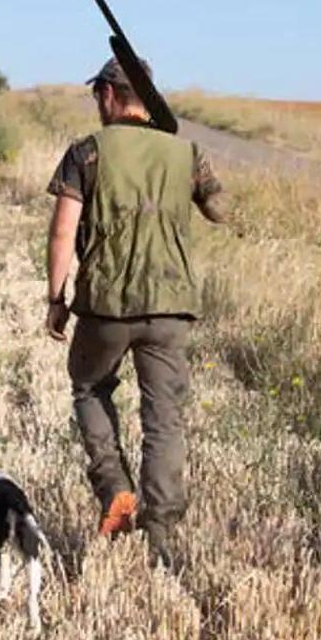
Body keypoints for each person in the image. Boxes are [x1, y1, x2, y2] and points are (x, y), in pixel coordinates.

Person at [44, 56, 229, 567]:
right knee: (164, 418)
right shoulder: (186, 153)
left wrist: (56, 299)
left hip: (106, 306)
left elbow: (63, 232)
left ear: (107, 93)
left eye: (96, 95)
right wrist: (179, 157)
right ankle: (162, 530)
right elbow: (219, 211)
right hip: (171, 307)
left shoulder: (87, 153)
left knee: (89, 387)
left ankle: (114, 488)